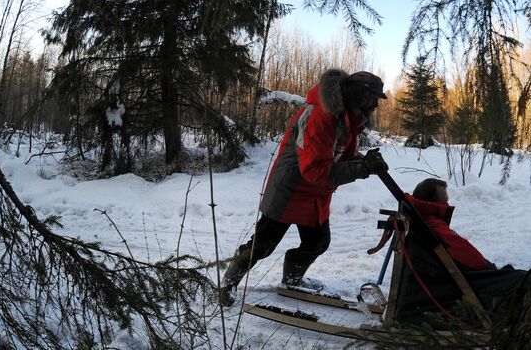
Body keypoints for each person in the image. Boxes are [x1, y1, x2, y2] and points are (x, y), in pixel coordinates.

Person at [219, 69, 389, 306]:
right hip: (290, 189)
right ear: (359, 95)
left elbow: (337, 154)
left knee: (317, 242)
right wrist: (362, 169)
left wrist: (363, 160)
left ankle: (291, 280)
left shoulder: (349, 117)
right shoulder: (322, 115)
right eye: (373, 99)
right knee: (263, 245)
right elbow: (314, 169)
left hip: (316, 192)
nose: (375, 106)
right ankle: (228, 282)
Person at [396, 178, 531, 324]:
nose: (447, 205)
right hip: (463, 282)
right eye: (444, 202)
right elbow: (471, 260)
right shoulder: (432, 225)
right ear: (432, 203)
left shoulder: (424, 220)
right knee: (523, 279)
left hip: (448, 278)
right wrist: (490, 268)